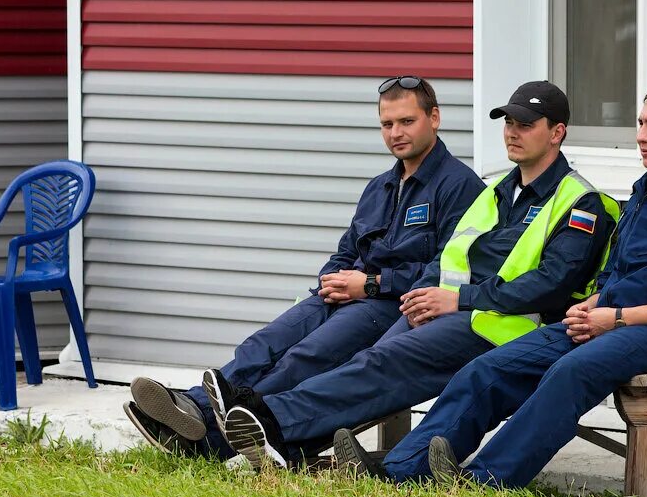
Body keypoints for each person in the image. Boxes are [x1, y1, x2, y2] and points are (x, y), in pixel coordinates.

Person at [335, 84, 647, 488]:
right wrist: (595, 304)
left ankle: (486, 480)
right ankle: (404, 470)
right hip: (604, 323)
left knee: (569, 371)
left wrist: (618, 318)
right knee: (489, 368)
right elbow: (617, 274)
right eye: (640, 123)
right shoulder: (643, 194)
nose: (641, 135)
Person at [217, 80, 620, 469]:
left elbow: (552, 283)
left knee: (384, 362)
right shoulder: (495, 191)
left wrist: (457, 300)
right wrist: (425, 294)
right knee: (372, 360)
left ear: (557, 133)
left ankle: (270, 419)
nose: (512, 133)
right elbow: (449, 257)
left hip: (507, 327)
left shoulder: (580, 201)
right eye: (508, 124)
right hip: (454, 311)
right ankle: (285, 444)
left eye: (526, 125)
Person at [122, 75, 484, 457]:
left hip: (388, 303)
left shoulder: (459, 186)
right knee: (263, 344)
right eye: (387, 124)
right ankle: (192, 407)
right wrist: (333, 279)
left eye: (406, 122)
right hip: (344, 295)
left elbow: (446, 270)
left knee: (304, 356)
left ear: (435, 118)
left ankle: (211, 439)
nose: (396, 133)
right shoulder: (380, 186)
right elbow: (346, 249)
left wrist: (370, 284)